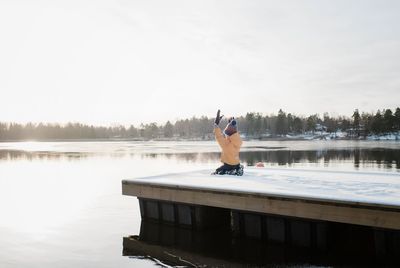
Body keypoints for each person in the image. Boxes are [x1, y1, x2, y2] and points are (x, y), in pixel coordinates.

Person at [213, 109, 244, 176]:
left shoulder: (225, 143)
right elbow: (234, 135)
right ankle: (237, 169)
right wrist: (232, 125)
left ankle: (230, 171)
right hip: (236, 163)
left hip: (228, 164)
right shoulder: (237, 141)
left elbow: (218, 136)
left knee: (218, 171)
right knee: (234, 166)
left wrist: (216, 125)